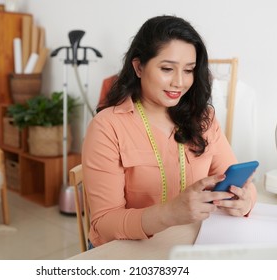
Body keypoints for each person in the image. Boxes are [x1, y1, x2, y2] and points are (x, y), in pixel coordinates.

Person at [82, 15, 257, 248]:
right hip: (126, 249)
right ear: (138, 67)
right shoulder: (107, 127)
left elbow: (237, 181)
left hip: (188, 243)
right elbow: (104, 222)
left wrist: (246, 201)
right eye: (167, 69)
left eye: (188, 70)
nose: (179, 82)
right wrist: (169, 214)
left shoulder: (203, 118)